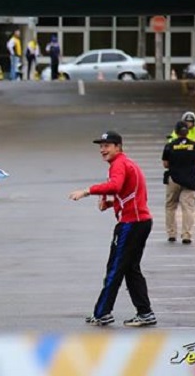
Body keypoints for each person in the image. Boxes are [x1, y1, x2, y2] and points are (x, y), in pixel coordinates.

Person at [68, 131, 156, 328]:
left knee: (115, 269)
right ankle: (145, 312)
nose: (102, 150)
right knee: (130, 269)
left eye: (107, 145)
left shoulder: (119, 164)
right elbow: (128, 192)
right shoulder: (125, 163)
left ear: (118, 147)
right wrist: (110, 204)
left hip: (131, 224)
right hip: (139, 222)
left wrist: (87, 191)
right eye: (101, 146)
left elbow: (116, 186)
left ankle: (102, 313)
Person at [162, 121, 195, 245]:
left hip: (173, 179)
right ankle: (186, 234)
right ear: (187, 132)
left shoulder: (170, 146)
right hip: (190, 180)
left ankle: (171, 233)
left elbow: (165, 164)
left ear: (176, 132)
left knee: (170, 206)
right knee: (188, 208)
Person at [167, 111, 195, 191]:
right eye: (186, 122)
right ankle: (172, 178)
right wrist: (171, 141)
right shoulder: (178, 130)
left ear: (194, 122)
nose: (188, 124)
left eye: (191, 122)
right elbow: (171, 137)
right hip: (181, 152)